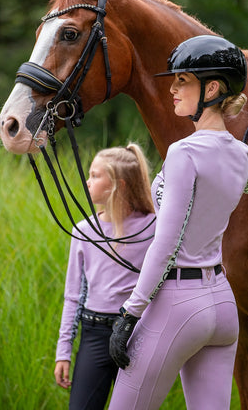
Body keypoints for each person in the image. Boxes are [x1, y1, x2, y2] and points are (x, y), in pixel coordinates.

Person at [108, 35, 248, 410]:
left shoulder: (184, 152)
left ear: (211, 87)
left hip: (177, 303)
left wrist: (129, 312)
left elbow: (166, 243)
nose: (172, 89)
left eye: (182, 80)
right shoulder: (240, 153)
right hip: (221, 304)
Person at [54, 143, 156, 410]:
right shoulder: (83, 230)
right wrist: (63, 351)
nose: (88, 182)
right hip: (94, 334)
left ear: (118, 186)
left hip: (137, 333)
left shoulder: (153, 227)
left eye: (95, 176)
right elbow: (73, 296)